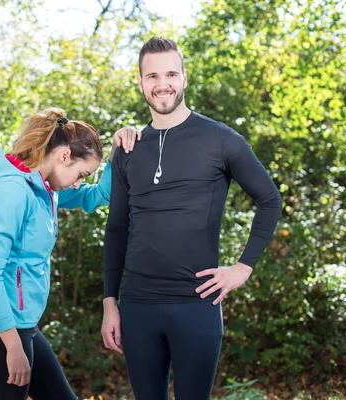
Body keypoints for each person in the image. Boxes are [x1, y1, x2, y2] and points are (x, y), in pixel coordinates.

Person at [102, 37, 283, 400]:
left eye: (171, 73)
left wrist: (242, 269)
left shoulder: (221, 140)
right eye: (152, 76)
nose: (162, 84)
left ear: (184, 78)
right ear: (140, 82)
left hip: (196, 305)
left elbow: (269, 199)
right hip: (137, 306)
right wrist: (110, 303)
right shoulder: (127, 149)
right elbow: (117, 226)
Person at [0, 107, 139, 400]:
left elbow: (99, 196)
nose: (79, 182)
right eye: (81, 174)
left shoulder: (45, 189)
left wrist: (116, 153)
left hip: (22, 326)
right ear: (64, 156)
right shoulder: (12, 191)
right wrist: (13, 346)